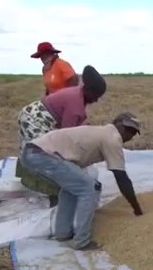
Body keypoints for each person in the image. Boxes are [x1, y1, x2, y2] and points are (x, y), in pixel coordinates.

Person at [20, 112, 144, 251]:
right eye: (128, 130)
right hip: (44, 155)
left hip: (34, 152)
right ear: (118, 124)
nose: (129, 135)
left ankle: (63, 233)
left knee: (72, 188)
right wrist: (137, 209)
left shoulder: (103, 132)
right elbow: (121, 178)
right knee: (90, 188)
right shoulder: (112, 138)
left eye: (133, 132)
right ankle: (82, 241)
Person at [16, 66, 107, 204]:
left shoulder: (78, 95)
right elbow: (66, 139)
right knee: (46, 156)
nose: (96, 100)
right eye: (95, 96)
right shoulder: (75, 106)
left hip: (38, 116)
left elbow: (79, 127)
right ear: (88, 90)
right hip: (34, 119)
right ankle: (54, 195)